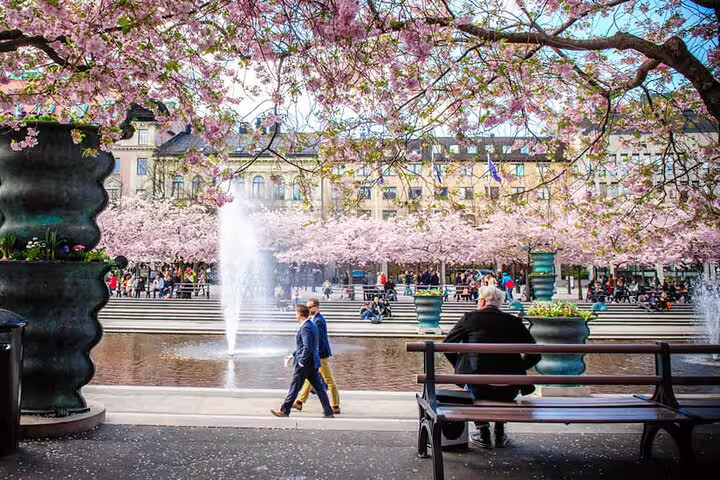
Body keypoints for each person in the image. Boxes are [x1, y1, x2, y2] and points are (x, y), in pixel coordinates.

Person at [443, 286, 541, 449]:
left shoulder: (470, 318)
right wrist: (518, 367)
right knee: (499, 379)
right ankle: (500, 433)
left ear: (481, 301)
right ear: (500, 303)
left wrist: (461, 366)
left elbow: (447, 345)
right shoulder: (514, 321)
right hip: (509, 387)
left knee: (472, 376)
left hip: (479, 385)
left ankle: (483, 432)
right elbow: (535, 355)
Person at [271, 305, 335, 418]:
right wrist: (292, 355)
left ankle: (285, 411)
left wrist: (301, 361)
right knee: (319, 389)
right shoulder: (311, 325)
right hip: (312, 364)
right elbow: (303, 347)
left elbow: (307, 347)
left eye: (296, 313)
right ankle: (328, 411)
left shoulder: (305, 327)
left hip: (305, 365)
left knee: (294, 387)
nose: (295, 316)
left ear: (300, 314)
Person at [293, 299, 341, 415]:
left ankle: (335, 405)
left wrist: (314, 355)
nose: (308, 310)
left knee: (329, 380)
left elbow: (318, 341)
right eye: (308, 307)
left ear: (316, 307)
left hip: (320, 355)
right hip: (318, 354)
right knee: (311, 378)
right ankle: (299, 402)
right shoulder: (316, 319)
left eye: (310, 307)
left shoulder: (318, 321)